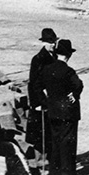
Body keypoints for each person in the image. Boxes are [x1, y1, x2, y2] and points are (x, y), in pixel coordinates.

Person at [41, 38, 83, 175]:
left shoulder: (47, 70)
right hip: (68, 111)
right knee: (68, 142)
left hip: (53, 110)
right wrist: (74, 95)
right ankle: (68, 173)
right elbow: (78, 85)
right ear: (68, 55)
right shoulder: (68, 71)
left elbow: (38, 86)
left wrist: (46, 99)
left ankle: (54, 172)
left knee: (55, 140)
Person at [27, 28, 58, 166]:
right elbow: (33, 83)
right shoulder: (38, 59)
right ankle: (40, 161)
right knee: (40, 133)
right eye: (50, 42)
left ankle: (49, 160)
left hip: (51, 99)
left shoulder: (55, 57)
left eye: (54, 41)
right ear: (43, 43)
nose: (52, 45)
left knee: (49, 131)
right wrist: (38, 102)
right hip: (40, 101)